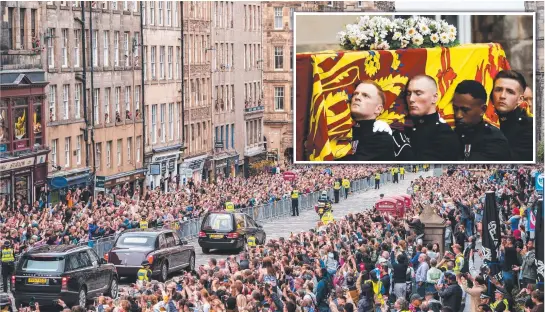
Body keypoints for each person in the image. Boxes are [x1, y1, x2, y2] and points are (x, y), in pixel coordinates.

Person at [392, 75, 460, 161]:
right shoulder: (404, 127)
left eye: (418, 93)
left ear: (434, 98)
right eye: (408, 94)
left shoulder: (445, 135)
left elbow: (424, 171)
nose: (411, 99)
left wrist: (402, 147)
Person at [452, 80, 511, 161]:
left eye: (465, 110)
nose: (458, 115)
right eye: (455, 109)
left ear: (483, 110)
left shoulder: (495, 141)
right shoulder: (449, 135)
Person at [338, 81, 395, 161]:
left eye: (365, 95)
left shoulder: (382, 138)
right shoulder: (339, 128)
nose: (357, 97)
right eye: (355, 94)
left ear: (378, 109)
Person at [491, 70, 533, 161]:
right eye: (498, 90)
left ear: (520, 99)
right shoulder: (483, 121)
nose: (502, 96)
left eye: (510, 92)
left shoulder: (530, 127)